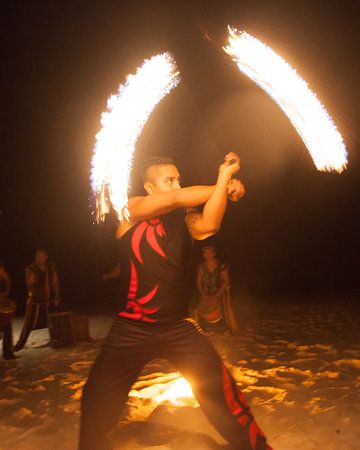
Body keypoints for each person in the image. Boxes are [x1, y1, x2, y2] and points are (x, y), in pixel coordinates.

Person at [79, 153, 273, 450]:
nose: (177, 184)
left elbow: (210, 224)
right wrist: (223, 183)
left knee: (219, 389)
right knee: (95, 395)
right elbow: (174, 199)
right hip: (130, 329)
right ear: (149, 187)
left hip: (177, 327)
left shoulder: (186, 219)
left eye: (179, 179)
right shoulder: (129, 211)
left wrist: (223, 181)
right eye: (169, 180)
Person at [14, 249, 61, 351]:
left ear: (46, 257)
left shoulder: (51, 267)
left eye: (42, 256)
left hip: (50, 298)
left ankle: (55, 340)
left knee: (52, 320)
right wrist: (31, 294)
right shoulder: (31, 268)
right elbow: (29, 283)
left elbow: (55, 281)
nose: (39, 259)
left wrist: (57, 295)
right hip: (36, 299)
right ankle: (20, 344)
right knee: (29, 322)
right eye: (37, 256)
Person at [194, 245, 239, 335]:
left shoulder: (221, 265)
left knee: (227, 306)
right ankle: (202, 328)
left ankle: (233, 328)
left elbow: (226, 281)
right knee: (198, 308)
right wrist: (203, 294)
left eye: (209, 252)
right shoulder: (201, 266)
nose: (207, 255)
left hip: (221, 289)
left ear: (214, 253)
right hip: (207, 290)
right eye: (205, 253)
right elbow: (198, 282)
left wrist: (217, 294)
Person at [0, 261, 17, 359]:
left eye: (3, 270)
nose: (2, 273)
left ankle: (8, 353)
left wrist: (5, 293)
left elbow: (8, 281)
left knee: (7, 326)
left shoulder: (4, 276)